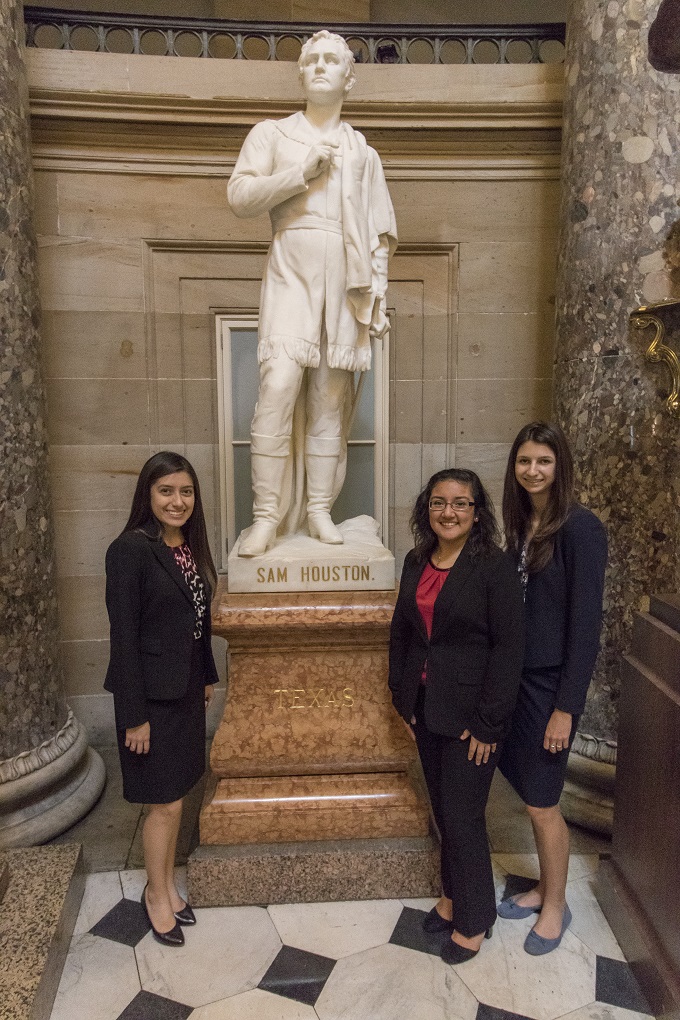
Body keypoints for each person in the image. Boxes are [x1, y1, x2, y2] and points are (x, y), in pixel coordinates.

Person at [228, 30, 397, 556]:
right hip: (292, 266)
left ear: (350, 76)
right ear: (300, 73)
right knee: (278, 385)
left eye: (332, 60)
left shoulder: (362, 151)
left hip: (345, 278)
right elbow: (239, 196)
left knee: (329, 396)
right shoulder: (271, 134)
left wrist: (379, 295)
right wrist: (298, 174)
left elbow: (379, 231)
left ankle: (321, 509)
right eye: (312, 60)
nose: (321, 67)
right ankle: (265, 516)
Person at [388, 469, 524, 965]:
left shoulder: (493, 567)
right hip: (426, 710)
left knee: (464, 818)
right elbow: (403, 633)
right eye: (440, 502)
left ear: (476, 511)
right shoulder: (416, 559)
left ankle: (475, 919)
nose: (449, 512)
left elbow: (509, 650)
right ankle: (451, 897)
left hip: (473, 719)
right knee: (445, 813)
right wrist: (400, 697)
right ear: (428, 508)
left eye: (461, 503)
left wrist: (489, 723)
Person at [497, 422, 607, 955]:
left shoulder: (581, 529)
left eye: (543, 461)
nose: (533, 471)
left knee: (543, 802)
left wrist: (565, 709)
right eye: (524, 461)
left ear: (559, 466)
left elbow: (585, 630)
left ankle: (557, 906)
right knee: (529, 796)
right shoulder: (520, 527)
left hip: (548, 690)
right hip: (516, 685)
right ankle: (543, 886)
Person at [104, 452, 219, 947]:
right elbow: (123, 639)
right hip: (149, 702)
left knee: (177, 797)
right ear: (148, 496)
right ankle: (156, 894)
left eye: (186, 492)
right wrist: (134, 717)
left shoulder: (187, 547)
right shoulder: (130, 550)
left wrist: (207, 676)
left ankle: (168, 885)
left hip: (187, 692)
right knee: (164, 804)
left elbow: (198, 624)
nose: (178, 501)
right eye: (166, 491)